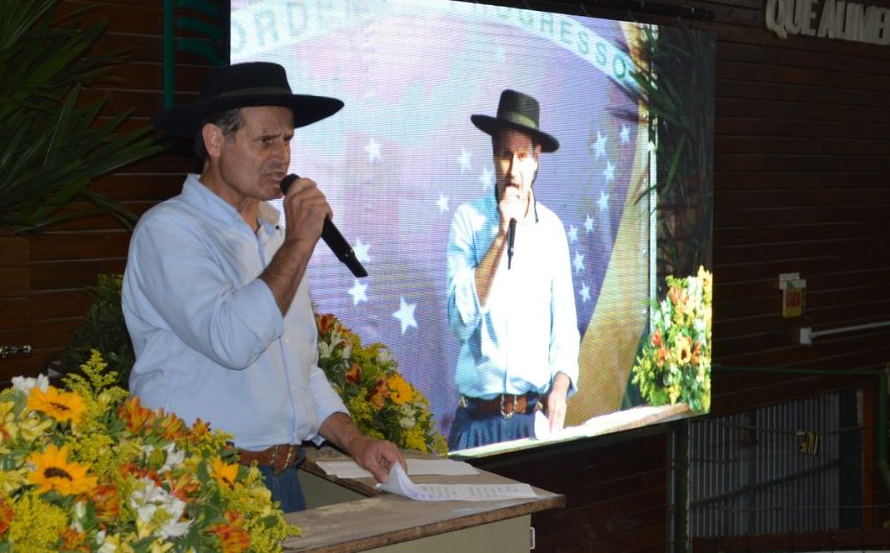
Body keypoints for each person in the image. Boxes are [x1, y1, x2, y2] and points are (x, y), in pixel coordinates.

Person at [122, 61, 405, 512]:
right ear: (215, 140)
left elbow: (298, 369)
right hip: (197, 485)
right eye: (265, 141)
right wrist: (298, 243)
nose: (283, 156)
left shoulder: (275, 235)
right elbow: (232, 340)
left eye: (288, 139)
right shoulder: (169, 231)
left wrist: (356, 441)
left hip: (280, 479)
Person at [446, 89, 580, 451]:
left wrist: (560, 388)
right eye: (505, 155)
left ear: (537, 159)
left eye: (522, 156)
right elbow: (460, 321)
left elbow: (565, 326)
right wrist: (502, 233)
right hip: (476, 422)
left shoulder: (552, 229)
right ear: (493, 158)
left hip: (530, 422)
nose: (513, 169)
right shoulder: (467, 220)